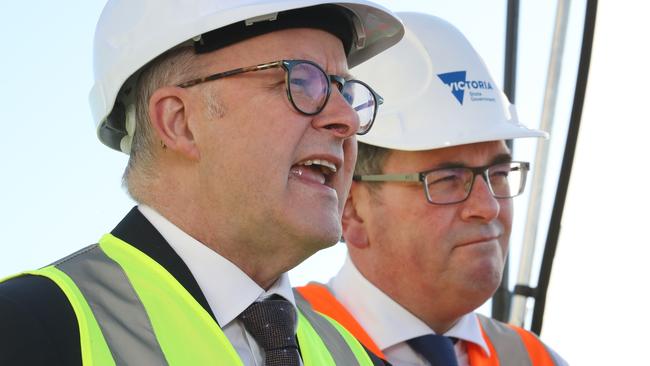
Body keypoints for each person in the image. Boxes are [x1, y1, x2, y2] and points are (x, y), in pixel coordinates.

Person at [0, 1, 405, 365]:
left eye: (345, 91)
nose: (347, 120)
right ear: (179, 122)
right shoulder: (27, 330)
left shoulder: (358, 359)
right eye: (301, 81)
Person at [297, 12, 568, 366]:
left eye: (499, 173)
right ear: (351, 208)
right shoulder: (280, 345)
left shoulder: (533, 359)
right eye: (447, 180)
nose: (488, 207)